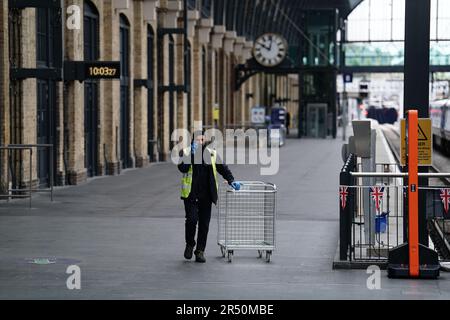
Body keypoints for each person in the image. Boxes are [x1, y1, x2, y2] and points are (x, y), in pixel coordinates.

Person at [178, 132, 241, 263]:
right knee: (191, 220)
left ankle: (200, 251)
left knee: (204, 224)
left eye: (202, 140)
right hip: (191, 195)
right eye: (198, 140)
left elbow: (223, 168)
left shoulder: (211, 153)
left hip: (207, 195)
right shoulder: (185, 152)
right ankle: (190, 244)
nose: (200, 142)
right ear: (193, 141)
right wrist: (191, 155)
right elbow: (182, 168)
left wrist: (231, 180)